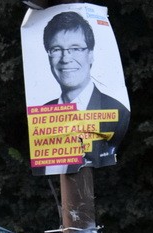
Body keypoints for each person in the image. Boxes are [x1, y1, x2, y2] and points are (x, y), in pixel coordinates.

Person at [40, 11, 130, 170]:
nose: (65, 58)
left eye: (75, 48)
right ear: (48, 56)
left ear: (90, 55)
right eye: (56, 49)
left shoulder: (118, 113)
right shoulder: (41, 115)